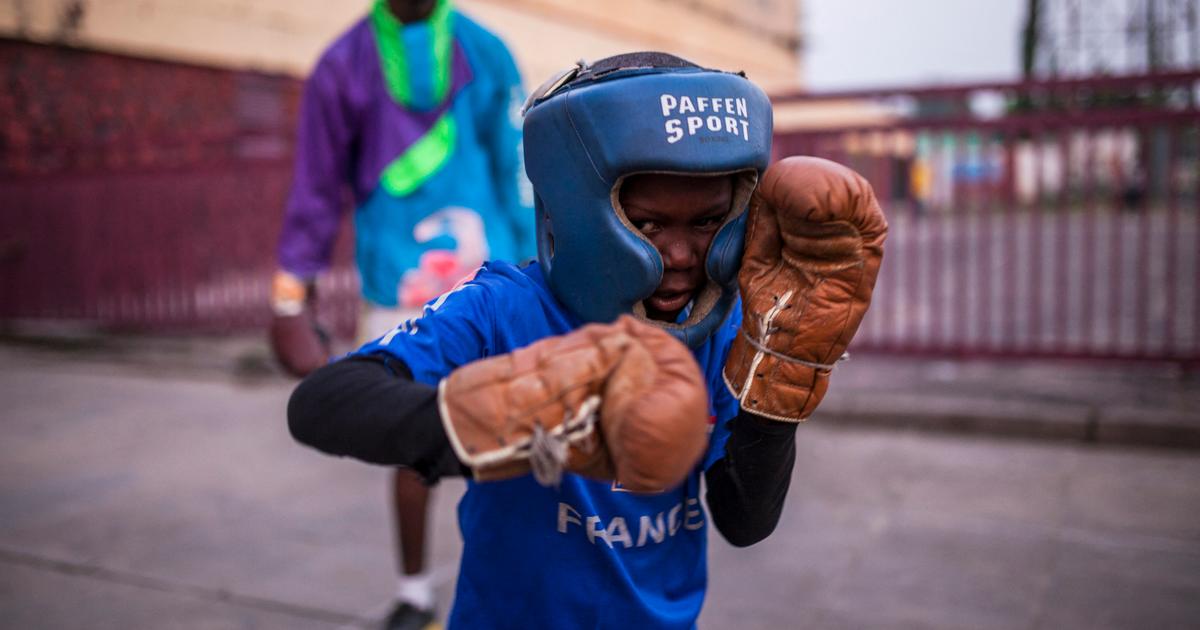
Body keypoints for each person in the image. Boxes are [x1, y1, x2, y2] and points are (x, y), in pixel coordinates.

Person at [288, 52, 888, 629]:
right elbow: (323, 402)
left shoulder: (722, 327)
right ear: (574, 210)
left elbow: (743, 520)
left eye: (707, 222)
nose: (680, 256)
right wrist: (513, 415)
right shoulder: (505, 309)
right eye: (648, 223)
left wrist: (778, 383)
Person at [268, 1, 533, 628]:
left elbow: (519, 172)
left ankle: (511, 588)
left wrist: (540, 274)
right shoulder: (341, 67)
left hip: (493, 288)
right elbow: (315, 186)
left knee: (513, 440)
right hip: (398, 290)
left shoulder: (487, 52)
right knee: (416, 447)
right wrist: (288, 297)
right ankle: (415, 593)